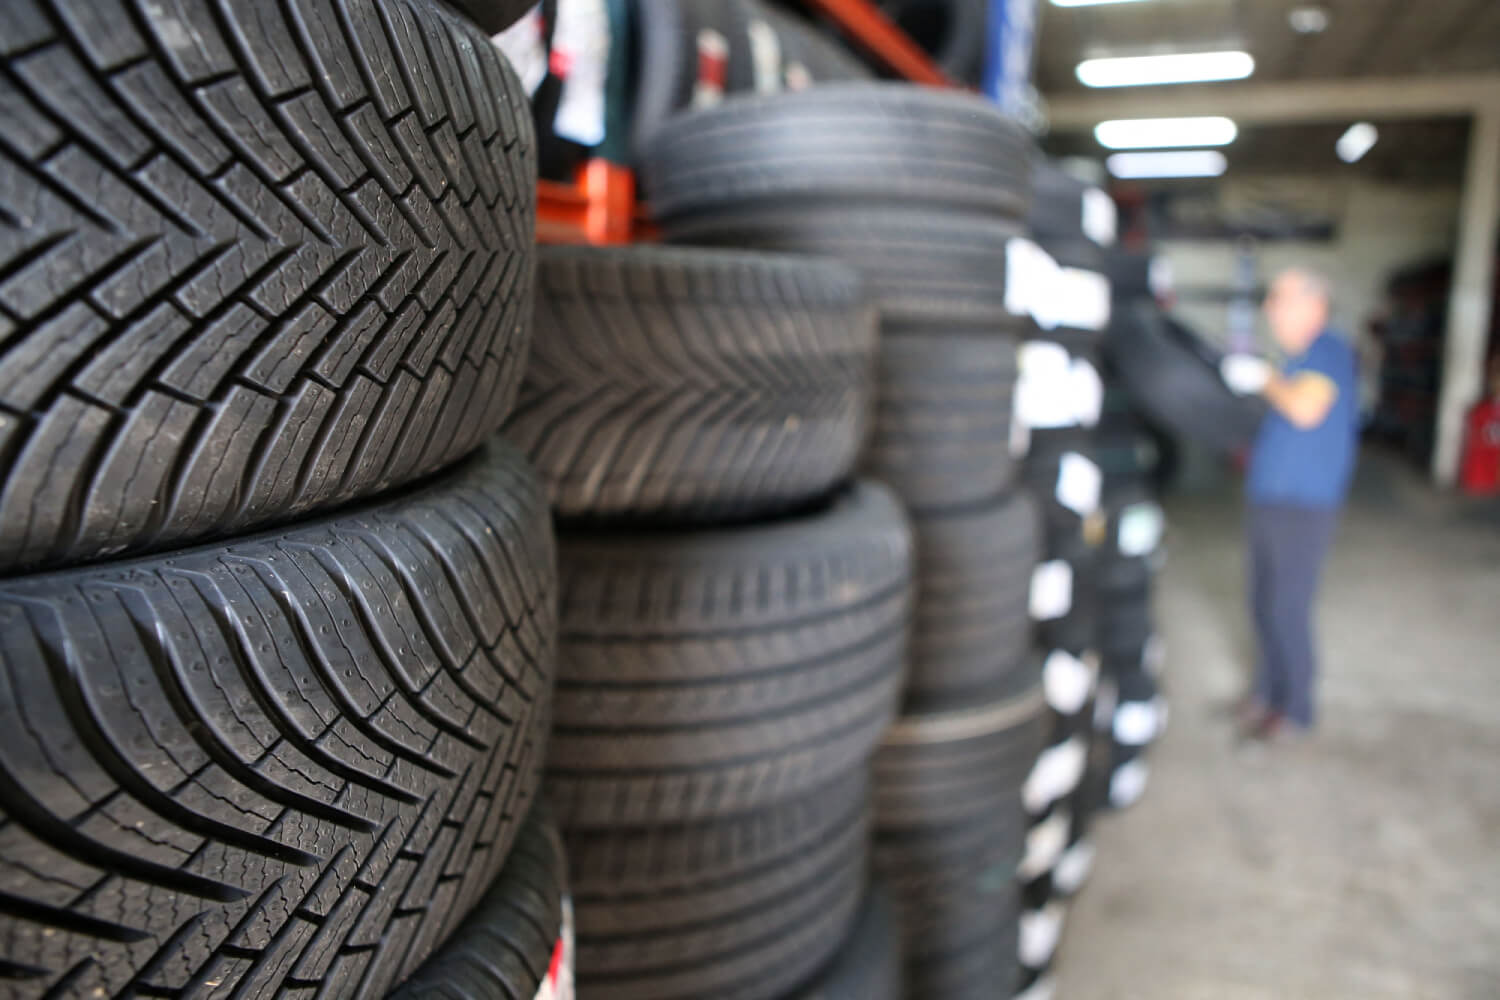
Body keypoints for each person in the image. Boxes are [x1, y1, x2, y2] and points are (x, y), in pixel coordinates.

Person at [1219, 268, 1359, 742]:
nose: (1270, 309)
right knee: (1260, 602)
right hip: (1270, 499)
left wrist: (1263, 378)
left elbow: (1305, 409)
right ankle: (1265, 694)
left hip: (1304, 504)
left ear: (1313, 305)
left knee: (1286, 608)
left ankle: (1295, 711)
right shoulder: (1298, 359)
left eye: (1279, 299)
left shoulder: (1329, 350)